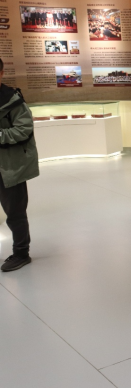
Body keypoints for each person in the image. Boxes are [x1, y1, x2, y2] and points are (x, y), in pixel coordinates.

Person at [0, 58, 39, 272]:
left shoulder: (13, 100)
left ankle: (21, 253)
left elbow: (23, 130)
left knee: (15, 213)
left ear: (1, 73)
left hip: (9, 168)